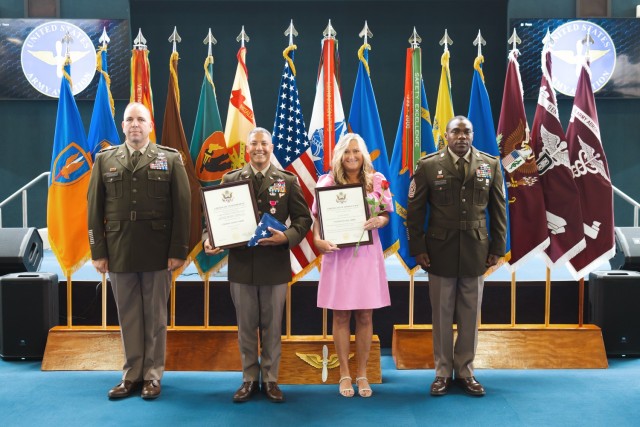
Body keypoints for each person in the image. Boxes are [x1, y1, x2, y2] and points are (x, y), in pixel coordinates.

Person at [87, 102, 191, 400]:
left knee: (155, 316)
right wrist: (98, 251)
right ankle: (131, 375)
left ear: (150, 124)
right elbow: (93, 211)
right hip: (118, 250)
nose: (135, 124)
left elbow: (183, 210)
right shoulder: (105, 160)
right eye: (129, 119)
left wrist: (178, 250)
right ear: (123, 126)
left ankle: (153, 376)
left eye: (140, 119)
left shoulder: (170, 159)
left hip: (158, 251)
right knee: (129, 316)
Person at [203, 127, 312, 403]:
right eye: (254, 144)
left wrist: (286, 237)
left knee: (272, 326)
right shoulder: (231, 179)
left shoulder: (287, 180)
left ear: (271, 147)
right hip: (241, 266)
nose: (259, 148)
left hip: (274, 266)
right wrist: (210, 239)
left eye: (264, 143)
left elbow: (303, 220)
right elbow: (214, 219)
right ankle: (249, 379)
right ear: (247, 149)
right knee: (246, 326)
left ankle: (272, 380)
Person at [406, 115, 507, 397]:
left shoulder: (490, 164)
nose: (462, 136)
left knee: (470, 314)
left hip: (477, 249)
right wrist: (418, 248)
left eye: (467, 132)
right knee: (441, 314)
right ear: (446, 136)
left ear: (473, 135)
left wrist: (498, 247)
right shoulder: (428, 166)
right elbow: (415, 213)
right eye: (456, 132)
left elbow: (498, 210)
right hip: (439, 250)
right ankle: (441, 372)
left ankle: (465, 371)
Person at [312, 133, 392, 398]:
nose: (351, 156)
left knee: (366, 315)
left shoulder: (378, 180)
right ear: (339, 155)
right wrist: (317, 240)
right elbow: (316, 220)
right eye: (346, 152)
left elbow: (385, 214)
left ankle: (362, 373)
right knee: (341, 315)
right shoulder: (327, 181)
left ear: (364, 154)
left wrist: (380, 221)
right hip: (337, 255)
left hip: (367, 254)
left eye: (356, 151)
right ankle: (345, 373)